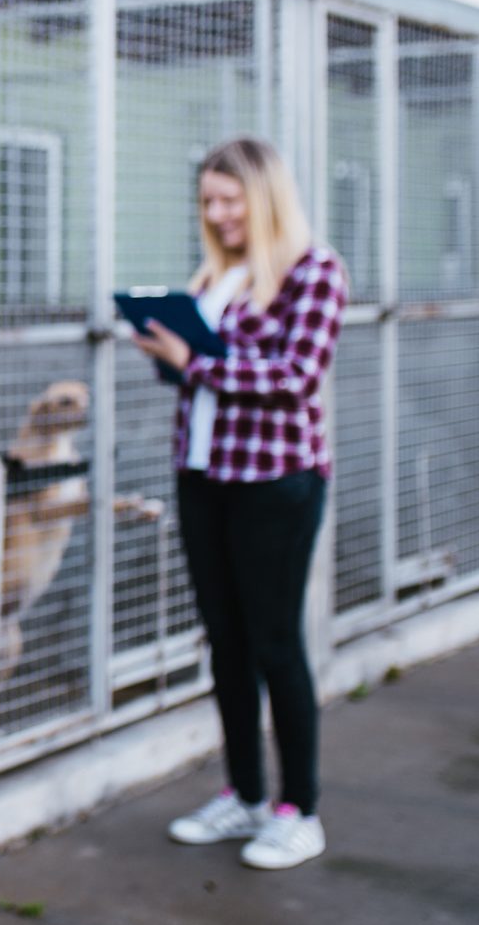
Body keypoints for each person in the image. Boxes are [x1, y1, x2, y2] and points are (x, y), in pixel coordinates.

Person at [129, 136, 347, 871]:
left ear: (265, 197)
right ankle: (246, 795)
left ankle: (300, 809)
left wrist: (197, 361)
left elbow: (294, 376)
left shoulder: (315, 271)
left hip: (276, 481)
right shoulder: (215, 276)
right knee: (225, 641)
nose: (218, 213)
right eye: (208, 201)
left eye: (230, 199)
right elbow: (203, 380)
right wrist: (171, 353)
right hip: (205, 476)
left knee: (275, 643)